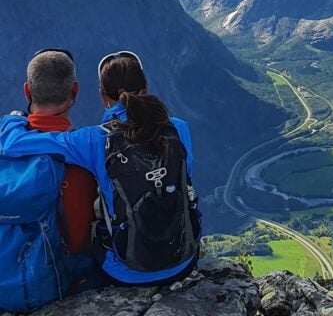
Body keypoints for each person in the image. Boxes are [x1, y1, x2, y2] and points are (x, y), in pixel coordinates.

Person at [0, 50, 200, 286]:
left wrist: (14, 119)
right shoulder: (177, 129)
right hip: (183, 261)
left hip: (124, 271)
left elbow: (14, 144)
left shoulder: (93, 140)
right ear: (145, 87)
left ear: (103, 97)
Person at [0, 48, 98, 312]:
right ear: (75, 92)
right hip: (48, 289)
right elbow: (79, 243)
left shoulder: (4, 141)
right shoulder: (83, 164)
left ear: (27, 91)